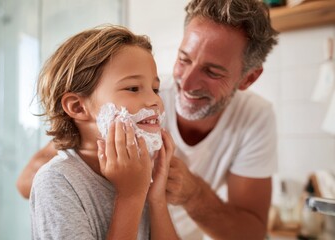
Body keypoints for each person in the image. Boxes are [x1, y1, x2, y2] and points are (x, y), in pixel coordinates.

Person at [17, 0, 279, 239]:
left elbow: (252, 232)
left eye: (212, 72)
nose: (182, 85)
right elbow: (45, 172)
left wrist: (169, 195)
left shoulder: (254, 117)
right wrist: (126, 191)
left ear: (248, 79)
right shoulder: (70, 174)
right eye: (183, 60)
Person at [29, 25, 179, 240]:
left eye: (155, 89)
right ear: (78, 107)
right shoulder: (57, 181)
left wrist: (156, 198)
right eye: (133, 88)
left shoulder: (141, 168)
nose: (155, 100)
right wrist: (131, 196)